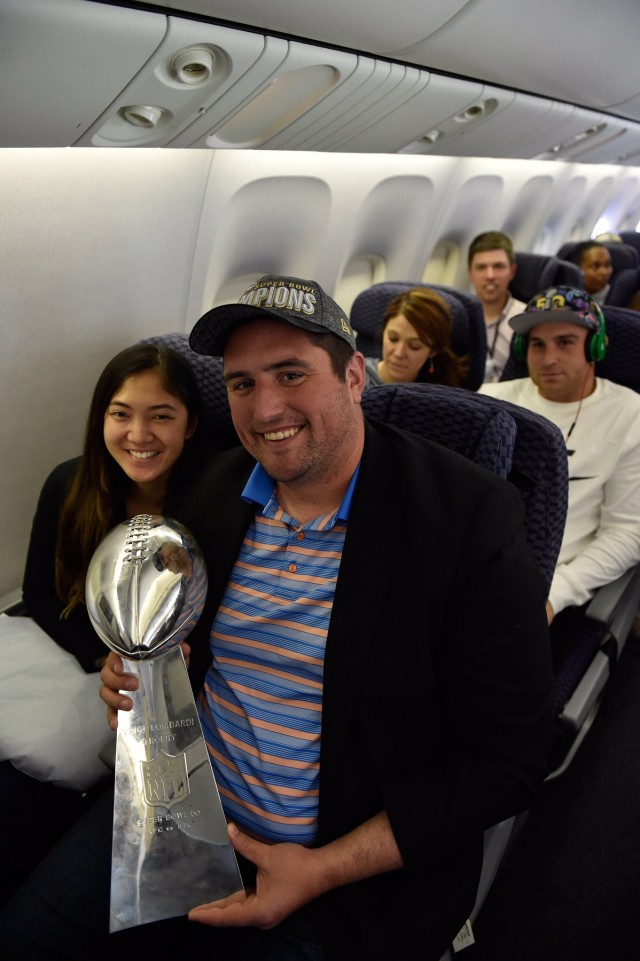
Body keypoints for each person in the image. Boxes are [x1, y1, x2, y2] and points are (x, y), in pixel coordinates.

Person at [0, 275, 555, 961]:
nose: (265, 408)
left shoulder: (465, 516)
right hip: (173, 809)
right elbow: (179, 641)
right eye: (242, 383)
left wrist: (322, 869)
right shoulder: (215, 488)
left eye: (291, 374)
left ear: (354, 376)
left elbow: (508, 761)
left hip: (335, 871)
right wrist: (138, 673)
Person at [22, 342, 203, 673]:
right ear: (101, 418)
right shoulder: (67, 485)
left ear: (190, 425)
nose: (139, 435)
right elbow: (39, 594)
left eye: (161, 416)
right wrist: (107, 659)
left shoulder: (215, 500)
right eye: (121, 414)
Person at [480, 286, 640, 626]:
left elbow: (626, 532)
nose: (549, 358)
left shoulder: (630, 415)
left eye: (565, 343)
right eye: (537, 345)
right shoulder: (490, 400)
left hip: (545, 586)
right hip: (472, 568)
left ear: (597, 347)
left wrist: (555, 595)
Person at [363, 286, 468, 389]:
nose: (398, 353)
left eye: (414, 346)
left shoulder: (438, 394)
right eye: (393, 338)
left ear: (433, 350)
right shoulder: (356, 376)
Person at [467, 230, 526, 383]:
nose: (490, 275)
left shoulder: (526, 319)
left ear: (512, 271)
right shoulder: (460, 319)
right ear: (470, 273)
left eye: (498, 266)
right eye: (481, 267)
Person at [564, 240, 613, 304]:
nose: (604, 272)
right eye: (595, 266)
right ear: (577, 268)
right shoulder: (564, 297)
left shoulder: (615, 296)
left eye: (607, 265)